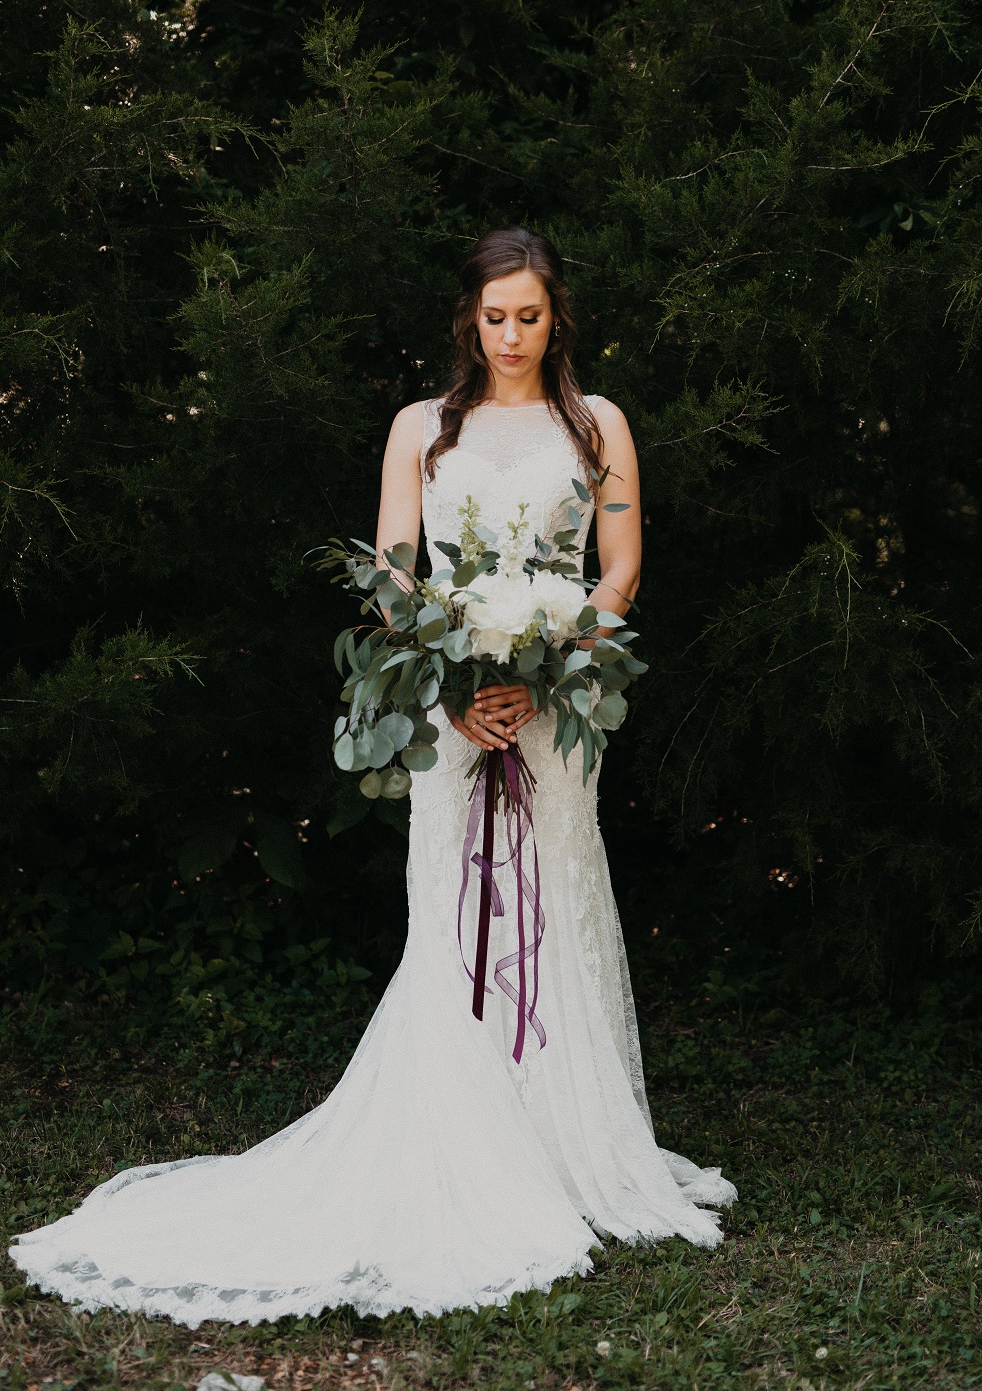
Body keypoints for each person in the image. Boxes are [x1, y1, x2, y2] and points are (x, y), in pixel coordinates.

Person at [9, 227, 735, 1328]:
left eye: (529, 316)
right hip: (454, 717)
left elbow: (619, 568)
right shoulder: (418, 431)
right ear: (467, 320)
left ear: (557, 318)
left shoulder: (599, 427)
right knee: (450, 915)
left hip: (553, 707)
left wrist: (544, 672)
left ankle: (564, 1139)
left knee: (561, 896)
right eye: (493, 317)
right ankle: (458, 1136)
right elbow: (399, 580)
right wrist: (451, 687)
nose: (510, 336)